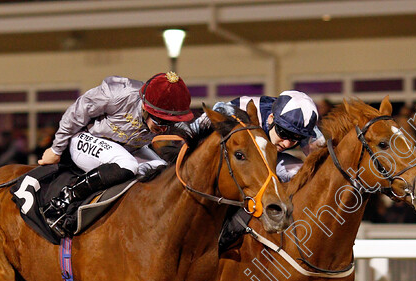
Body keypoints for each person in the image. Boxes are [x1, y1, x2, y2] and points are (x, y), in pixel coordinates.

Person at [37, 72, 194, 235]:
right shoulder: (118, 94)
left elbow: (193, 133)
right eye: (160, 121)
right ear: (145, 107)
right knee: (127, 164)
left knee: (163, 170)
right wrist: (56, 148)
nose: (164, 129)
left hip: (128, 149)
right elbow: (76, 112)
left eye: (172, 123)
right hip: (88, 138)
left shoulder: (168, 119)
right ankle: (59, 204)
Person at [218, 90, 324, 182]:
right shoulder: (242, 109)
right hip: (236, 157)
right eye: (284, 134)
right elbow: (210, 116)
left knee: (303, 173)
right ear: (271, 119)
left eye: (296, 138)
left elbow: (325, 166)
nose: (287, 144)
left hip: (266, 155)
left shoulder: (306, 127)